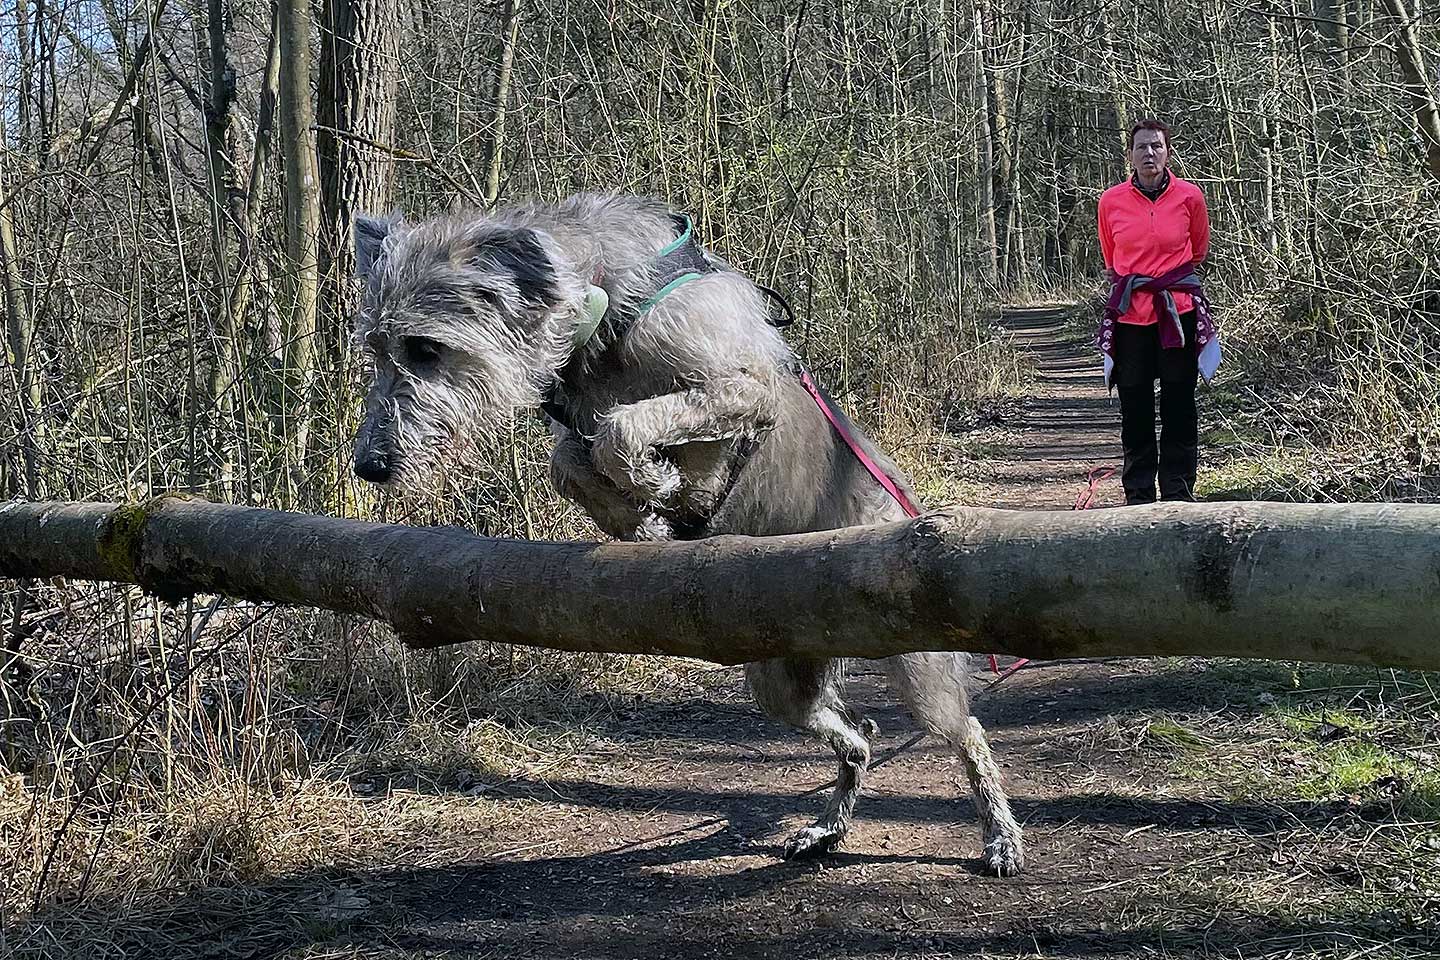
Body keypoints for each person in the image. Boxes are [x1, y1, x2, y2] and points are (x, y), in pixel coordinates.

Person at [1097, 119, 1220, 505]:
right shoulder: (1110, 201)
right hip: (1130, 317)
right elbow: (1111, 257)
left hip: (1177, 313)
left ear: (1168, 152)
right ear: (1130, 155)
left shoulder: (1190, 197)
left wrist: (1165, 277)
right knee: (1135, 407)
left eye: (1156, 146)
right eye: (1141, 147)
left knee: (1179, 404)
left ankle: (1178, 492)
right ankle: (1138, 496)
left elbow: (1198, 250)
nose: (1149, 154)